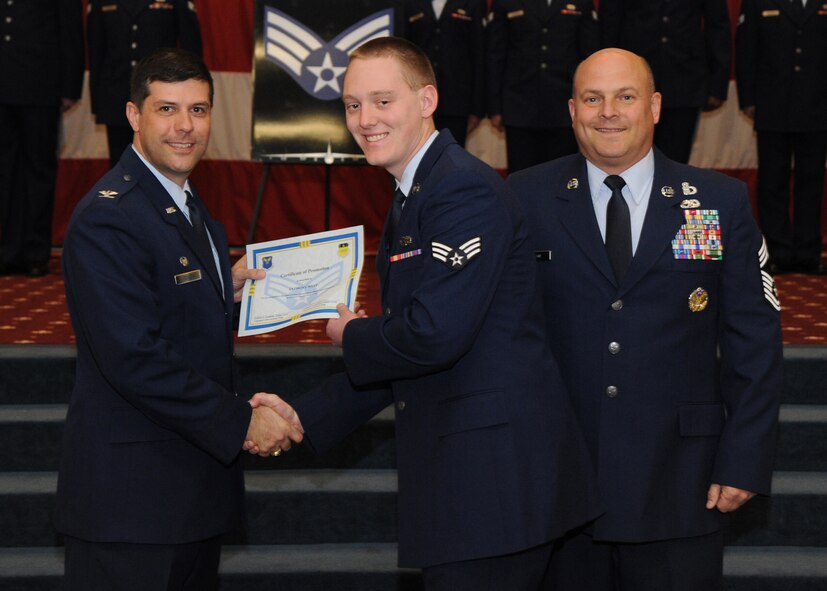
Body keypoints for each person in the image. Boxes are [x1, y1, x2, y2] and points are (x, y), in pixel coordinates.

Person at [249, 36, 600, 589]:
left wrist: (353, 334)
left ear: (427, 100)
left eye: (383, 101)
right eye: (353, 104)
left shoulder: (460, 189)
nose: (365, 119)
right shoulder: (418, 192)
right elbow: (412, 351)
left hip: (495, 486)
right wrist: (303, 416)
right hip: (471, 484)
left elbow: (433, 335)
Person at [509, 48, 783, 590]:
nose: (608, 112)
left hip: (681, 481)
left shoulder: (717, 201)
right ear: (573, 111)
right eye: (593, 98)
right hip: (559, 484)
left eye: (625, 97)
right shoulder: (523, 197)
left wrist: (744, 459)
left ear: (654, 107)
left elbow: (754, 344)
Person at [55, 48, 303, 591]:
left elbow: (168, 308)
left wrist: (223, 292)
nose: (185, 126)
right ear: (133, 115)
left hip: (189, 499)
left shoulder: (192, 210)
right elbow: (134, 358)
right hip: (130, 510)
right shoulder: (109, 217)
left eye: (198, 109)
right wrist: (242, 422)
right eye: (166, 109)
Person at [735, 0, 827, 275]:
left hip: (818, 105)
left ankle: (808, 252)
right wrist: (747, 98)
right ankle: (777, 251)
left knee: (811, 182)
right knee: (772, 183)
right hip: (772, 104)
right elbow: (747, 48)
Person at [0, 0, 84, 277]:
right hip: (4, 85)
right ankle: (8, 250)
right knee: (6, 171)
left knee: (39, 171)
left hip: (40, 83)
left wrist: (70, 86)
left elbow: (70, 28)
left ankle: (35, 251)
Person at [600, 0, 732, 164]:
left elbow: (718, 26)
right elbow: (608, 23)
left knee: (675, 160)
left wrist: (717, 85)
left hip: (685, 81)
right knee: (629, 157)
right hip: (632, 81)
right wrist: (607, 77)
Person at [486, 0, 599, 173]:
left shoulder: (581, 2)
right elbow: (495, 55)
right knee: (521, 175)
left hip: (564, 106)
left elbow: (590, 57)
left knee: (562, 174)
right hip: (519, 105)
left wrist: (592, 103)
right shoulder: (505, 2)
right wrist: (494, 108)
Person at [87, 0, 203, 168]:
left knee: (162, 164)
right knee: (121, 165)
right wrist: (97, 101)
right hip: (116, 95)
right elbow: (96, 51)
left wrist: (189, 96)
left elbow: (191, 48)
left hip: (163, 97)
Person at [402, 0, 487, 147]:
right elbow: (403, 54)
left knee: (452, 152)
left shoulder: (472, 3)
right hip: (418, 98)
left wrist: (477, 108)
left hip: (457, 101)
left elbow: (479, 56)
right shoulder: (411, 4)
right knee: (417, 152)